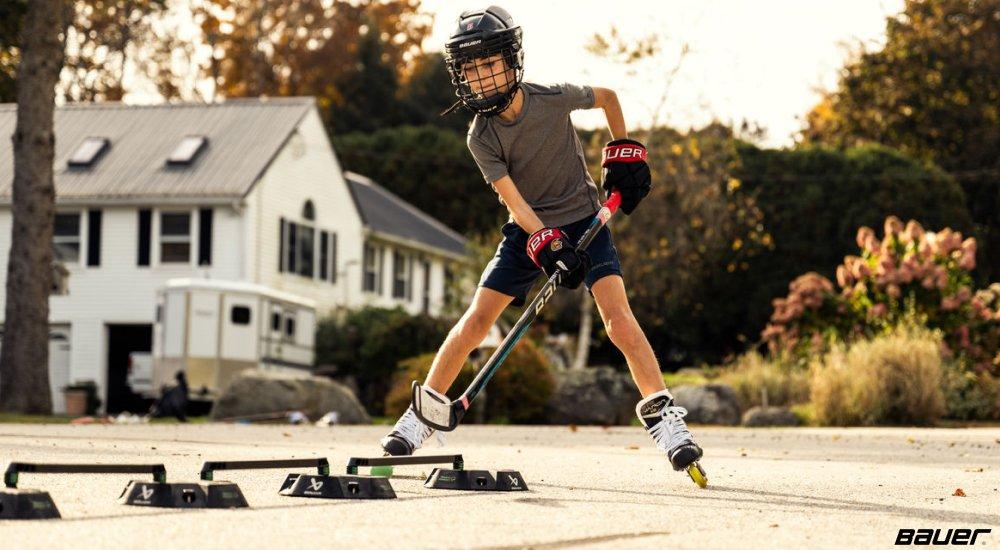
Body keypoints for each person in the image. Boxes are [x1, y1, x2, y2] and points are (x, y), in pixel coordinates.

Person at [380, 6, 703, 477]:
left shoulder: (551, 98)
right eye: (470, 68)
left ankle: (665, 418)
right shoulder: (481, 137)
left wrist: (624, 154)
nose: (482, 77)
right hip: (528, 232)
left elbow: (609, 98)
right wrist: (548, 243)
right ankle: (420, 417)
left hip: (587, 221)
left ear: (511, 62)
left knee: (617, 322)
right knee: (475, 322)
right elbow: (515, 203)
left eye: (489, 63)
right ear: (460, 76)